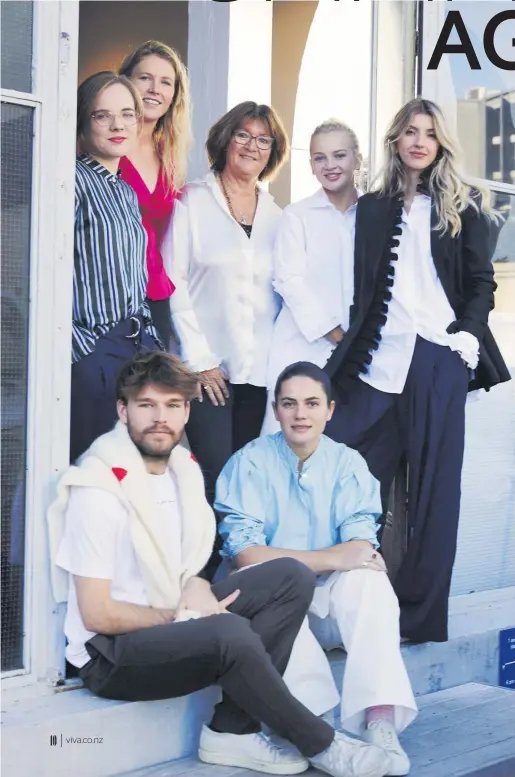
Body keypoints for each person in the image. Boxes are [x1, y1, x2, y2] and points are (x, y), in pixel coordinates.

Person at [47, 351, 391, 777]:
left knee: (291, 576)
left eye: (173, 405)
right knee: (228, 629)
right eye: (146, 405)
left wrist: (193, 588)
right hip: (111, 656)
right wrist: (183, 616)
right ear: (122, 410)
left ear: (187, 411)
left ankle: (231, 732)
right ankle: (324, 744)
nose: (160, 418)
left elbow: (182, 566)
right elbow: (99, 613)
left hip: (171, 622)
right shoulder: (98, 491)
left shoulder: (180, 473)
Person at [323, 98, 511, 643]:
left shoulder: (466, 205)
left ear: (440, 142)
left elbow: (482, 283)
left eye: (429, 132)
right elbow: (362, 284)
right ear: (396, 140)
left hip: (438, 355)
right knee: (355, 477)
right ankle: (353, 604)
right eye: (410, 131)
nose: (419, 141)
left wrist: (466, 339)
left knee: (435, 491)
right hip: (377, 360)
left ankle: (419, 618)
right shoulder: (375, 207)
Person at [217, 362, 417, 777]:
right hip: (269, 612)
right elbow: (245, 555)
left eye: (311, 404)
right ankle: (318, 723)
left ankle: (379, 721)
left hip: (329, 607)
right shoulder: (249, 462)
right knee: (286, 590)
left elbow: (362, 545)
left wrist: (345, 559)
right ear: (275, 410)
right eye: (289, 404)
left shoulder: (348, 463)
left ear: (330, 409)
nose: (300, 414)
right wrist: (331, 558)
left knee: (370, 581)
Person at [161, 101, 289, 514]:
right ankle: (202, 576)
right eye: (243, 135)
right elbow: (171, 281)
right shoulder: (192, 201)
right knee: (216, 483)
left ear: (273, 151)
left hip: (260, 374)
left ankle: (240, 575)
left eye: (263, 140)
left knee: (250, 484)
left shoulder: (277, 216)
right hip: (207, 373)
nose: (252, 146)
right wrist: (199, 359)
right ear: (225, 139)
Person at [71, 71, 162, 463]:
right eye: (102, 115)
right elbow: (42, 266)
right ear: (83, 121)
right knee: (93, 467)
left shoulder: (125, 190)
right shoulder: (70, 180)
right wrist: (82, 348)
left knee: (137, 466)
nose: (117, 125)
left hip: (136, 349)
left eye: (127, 114)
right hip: (93, 350)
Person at [263, 120, 362, 434]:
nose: (330, 165)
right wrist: (335, 332)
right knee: (288, 448)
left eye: (340, 155)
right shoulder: (297, 215)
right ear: (311, 165)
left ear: (358, 160)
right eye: (320, 158)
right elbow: (288, 279)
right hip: (301, 348)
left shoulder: (376, 214)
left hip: (359, 356)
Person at [119, 41, 192, 349]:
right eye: (144, 78)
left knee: (151, 395)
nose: (154, 89)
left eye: (166, 82)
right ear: (125, 83)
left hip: (156, 297)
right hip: (109, 294)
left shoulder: (171, 156)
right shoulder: (103, 145)